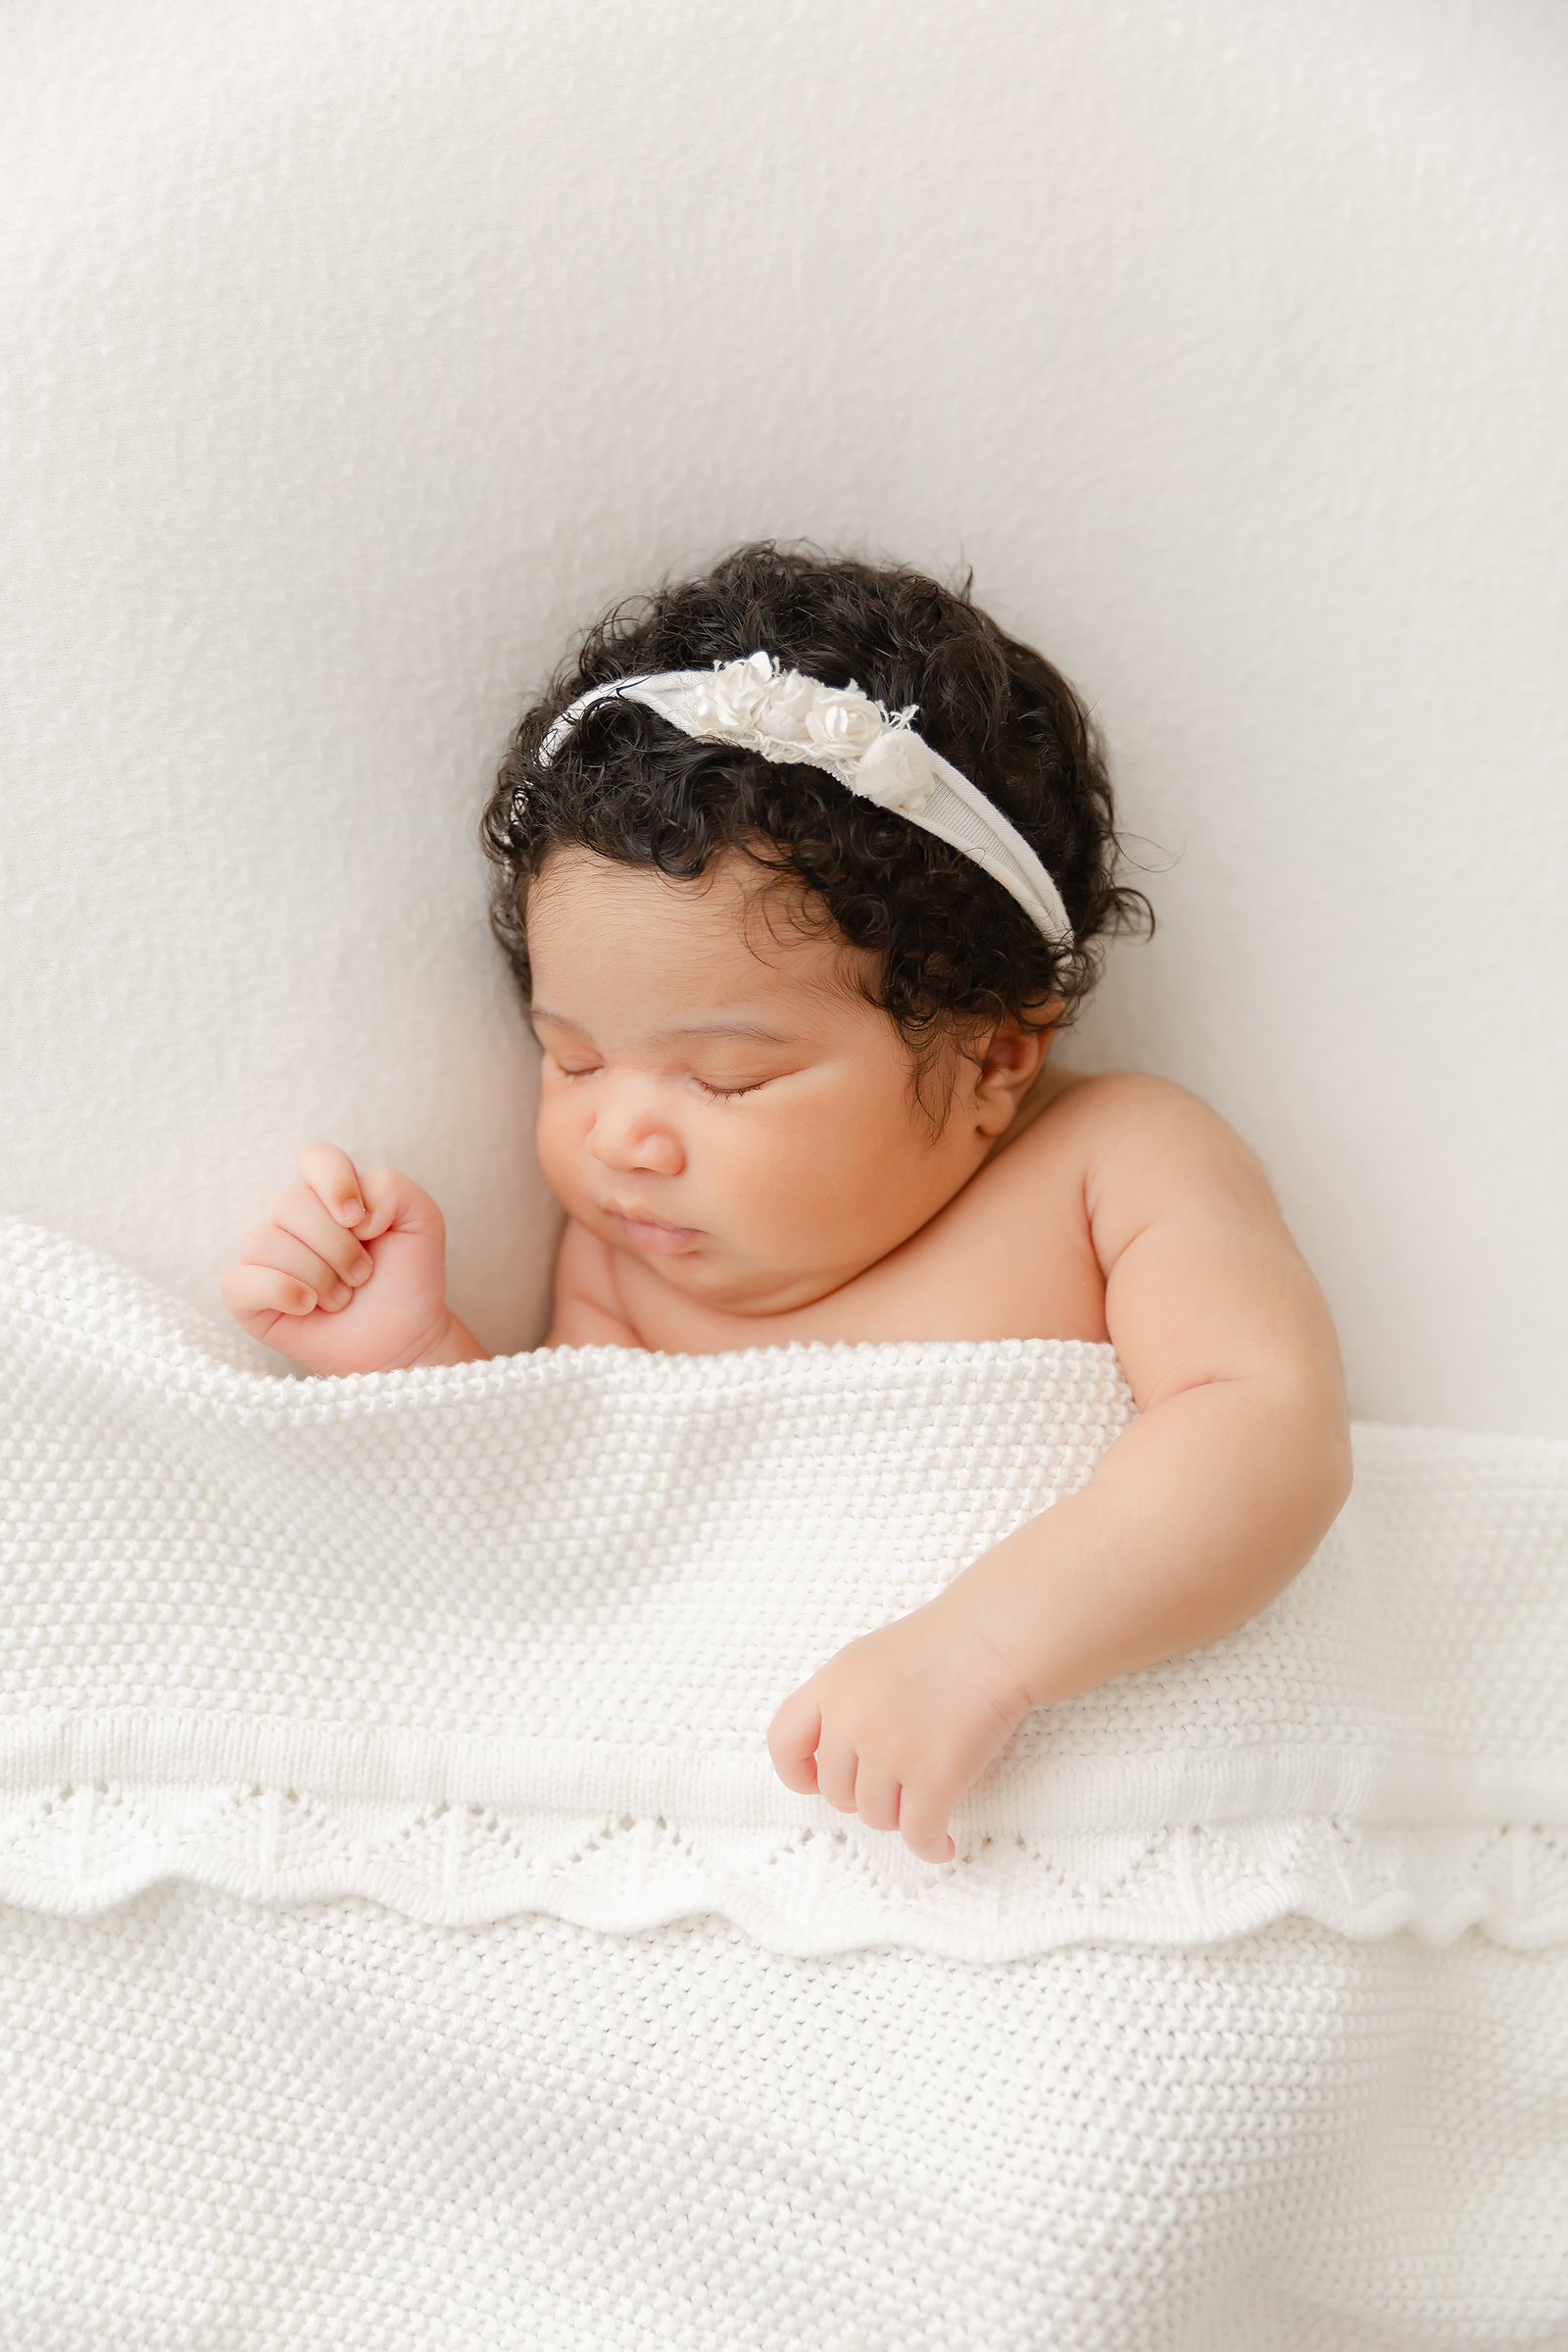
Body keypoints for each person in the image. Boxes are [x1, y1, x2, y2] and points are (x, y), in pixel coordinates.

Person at [220, 545, 1351, 1864]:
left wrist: (982, 1649)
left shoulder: (1116, 1165)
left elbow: (1268, 1431)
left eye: (727, 1077)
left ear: (993, 1056)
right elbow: (576, 1557)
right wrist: (414, 1359)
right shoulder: (628, 1268)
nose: (620, 1134)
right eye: (571, 1057)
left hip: (1100, 1816)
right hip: (752, 1838)